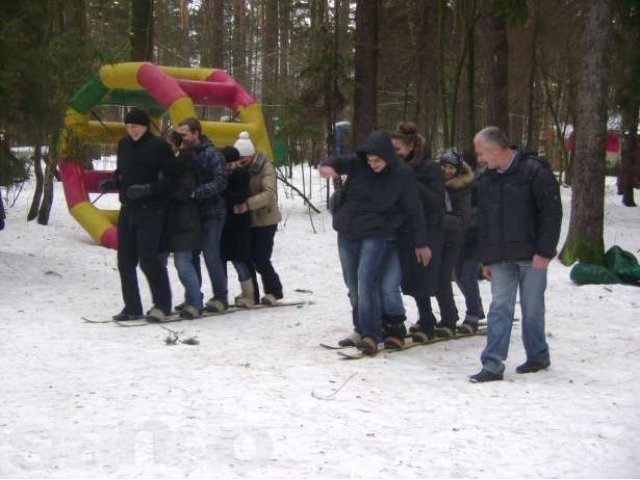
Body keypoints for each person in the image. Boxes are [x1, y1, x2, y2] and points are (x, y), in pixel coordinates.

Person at [319, 129, 431, 355]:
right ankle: (361, 327)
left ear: (388, 156)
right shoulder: (359, 163)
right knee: (352, 285)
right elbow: (336, 161)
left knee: (366, 282)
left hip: (376, 233)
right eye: (369, 160)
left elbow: (414, 209)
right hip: (347, 231)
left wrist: (421, 243)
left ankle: (372, 334)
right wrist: (327, 166)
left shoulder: (402, 173)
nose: (373, 165)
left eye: (377, 160)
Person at [469, 126, 562, 383]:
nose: (479, 159)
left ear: (494, 149)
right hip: (499, 256)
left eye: (480, 153)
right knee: (499, 307)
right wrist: (486, 258)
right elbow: (483, 221)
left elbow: (551, 213)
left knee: (532, 307)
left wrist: (545, 251)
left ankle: (538, 355)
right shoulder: (486, 178)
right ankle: (492, 364)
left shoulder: (534, 171)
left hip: (532, 255)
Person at [100, 108, 178, 322]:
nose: (131, 130)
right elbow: (122, 172)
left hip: (152, 210)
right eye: (128, 126)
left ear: (145, 126)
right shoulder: (123, 145)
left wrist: (149, 189)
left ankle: (162, 305)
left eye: (135, 126)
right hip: (127, 209)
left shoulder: (160, 147)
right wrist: (114, 182)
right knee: (125, 260)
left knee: (148, 259)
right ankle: (132, 306)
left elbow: (173, 180)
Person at [390, 122, 446, 342]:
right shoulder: (394, 167)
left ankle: (428, 319)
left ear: (411, 146)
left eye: (398, 149)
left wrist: (410, 181)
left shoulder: (428, 168)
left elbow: (436, 200)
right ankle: (423, 318)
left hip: (428, 228)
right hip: (403, 229)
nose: (394, 154)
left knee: (423, 277)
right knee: (409, 277)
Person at [177, 117, 229, 312]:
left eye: (185, 134)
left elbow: (221, 181)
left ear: (196, 133)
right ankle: (193, 294)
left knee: (211, 254)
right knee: (191, 255)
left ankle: (220, 296)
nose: (182, 137)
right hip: (191, 214)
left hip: (213, 212)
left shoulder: (212, 154)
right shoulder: (183, 154)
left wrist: (198, 191)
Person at [232, 131, 284, 305]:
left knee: (261, 258)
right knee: (247, 257)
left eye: (243, 160)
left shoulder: (265, 167)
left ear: (251, 155)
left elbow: (269, 194)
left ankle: (274, 291)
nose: (241, 163)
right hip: (248, 220)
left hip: (266, 220)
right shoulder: (239, 168)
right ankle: (251, 294)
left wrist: (247, 204)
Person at [164, 133, 205, 319]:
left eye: (168, 145)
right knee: (182, 263)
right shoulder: (166, 163)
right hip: (172, 220)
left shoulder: (187, 163)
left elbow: (186, 191)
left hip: (185, 219)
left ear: (176, 146)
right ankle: (191, 298)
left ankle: (195, 302)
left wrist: (164, 192)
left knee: (183, 262)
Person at [431, 147, 470, 337]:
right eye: (444, 166)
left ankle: (449, 318)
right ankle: (432, 317)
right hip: (435, 238)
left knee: (443, 278)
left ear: (458, 169)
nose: (447, 171)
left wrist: (440, 218)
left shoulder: (462, 188)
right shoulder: (434, 182)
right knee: (432, 277)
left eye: (451, 168)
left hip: (453, 239)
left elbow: (462, 219)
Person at [219, 145, 255, 308]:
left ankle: (249, 294)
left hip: (239, 224)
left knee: (239, 260)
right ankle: (221, 294)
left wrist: (225, 194)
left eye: (230, 164)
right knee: (222, 259)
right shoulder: (222, 176)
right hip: (225, 224)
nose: (227, 168)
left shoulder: (241, 175)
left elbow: (239, 197)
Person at [455, 151, 486, 334]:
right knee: (458, 274)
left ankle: (473, 314)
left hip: (475, 235)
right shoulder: (453, 184)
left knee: (467, 274)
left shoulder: (479, 181)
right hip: (460, 235)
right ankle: (477, 306)